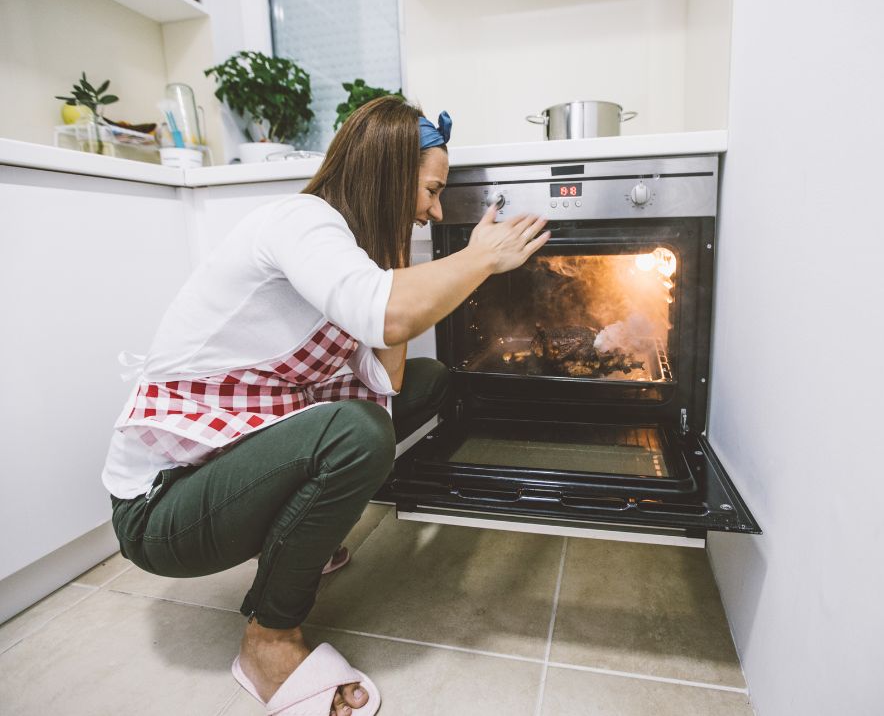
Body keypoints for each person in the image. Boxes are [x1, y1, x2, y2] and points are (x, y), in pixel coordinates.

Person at [102, 96, 550, 716]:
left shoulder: (356, 251)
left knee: (427, 382)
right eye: (429, 191)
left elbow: (389, 379)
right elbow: (387, 313)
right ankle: (269, 640)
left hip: (235, 456)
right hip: (163, 509)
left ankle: (295, 536)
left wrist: (399, 246)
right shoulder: (299, 222)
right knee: (357, 432)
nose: (435, 211)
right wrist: (479, 257)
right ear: (390, 174)